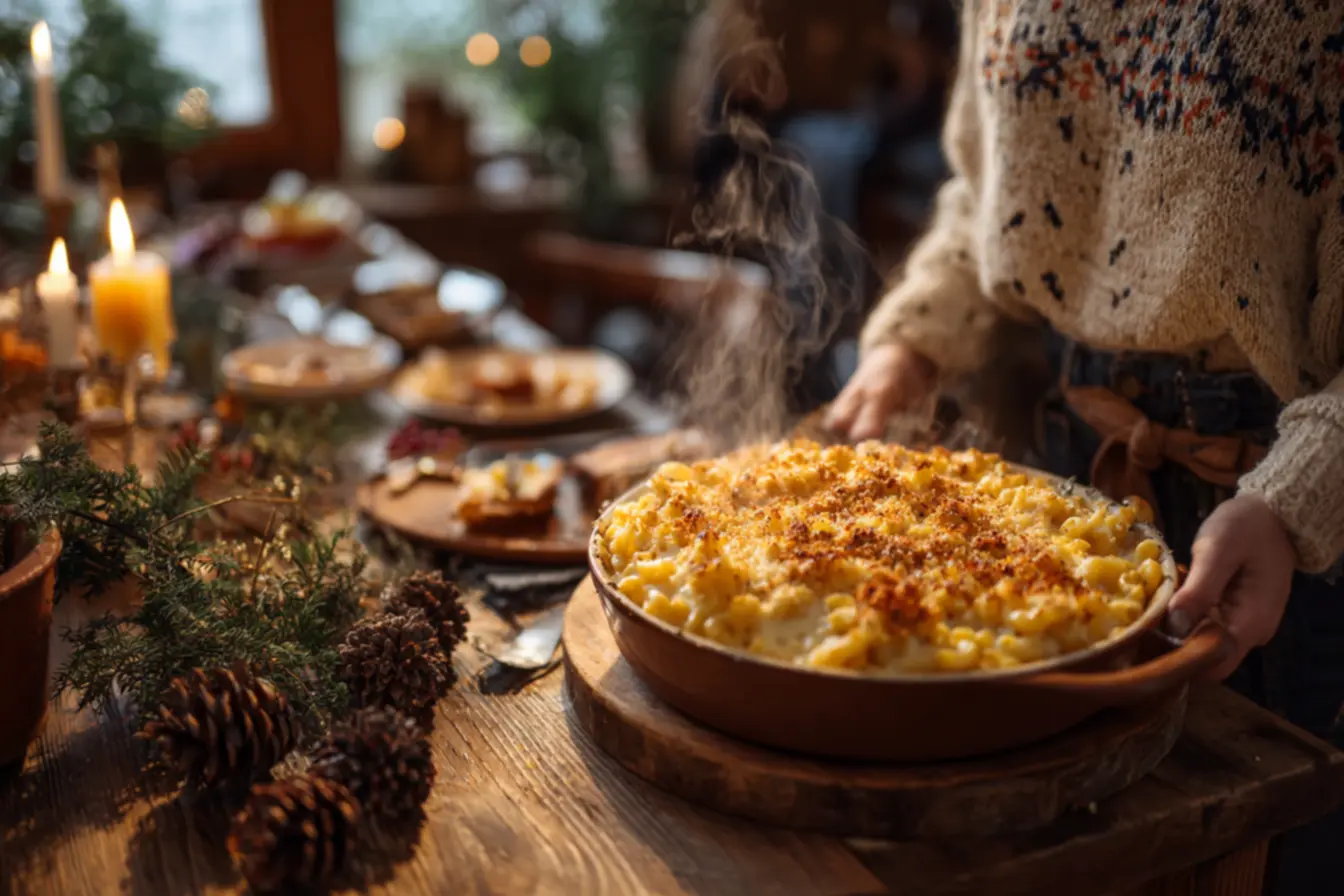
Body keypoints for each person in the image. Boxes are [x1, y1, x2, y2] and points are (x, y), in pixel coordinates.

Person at [826, 2, 1344, 889]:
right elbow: (984, 194)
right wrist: (911, 343)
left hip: (1284, 522)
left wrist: (1299, 494)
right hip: (1071, 476)